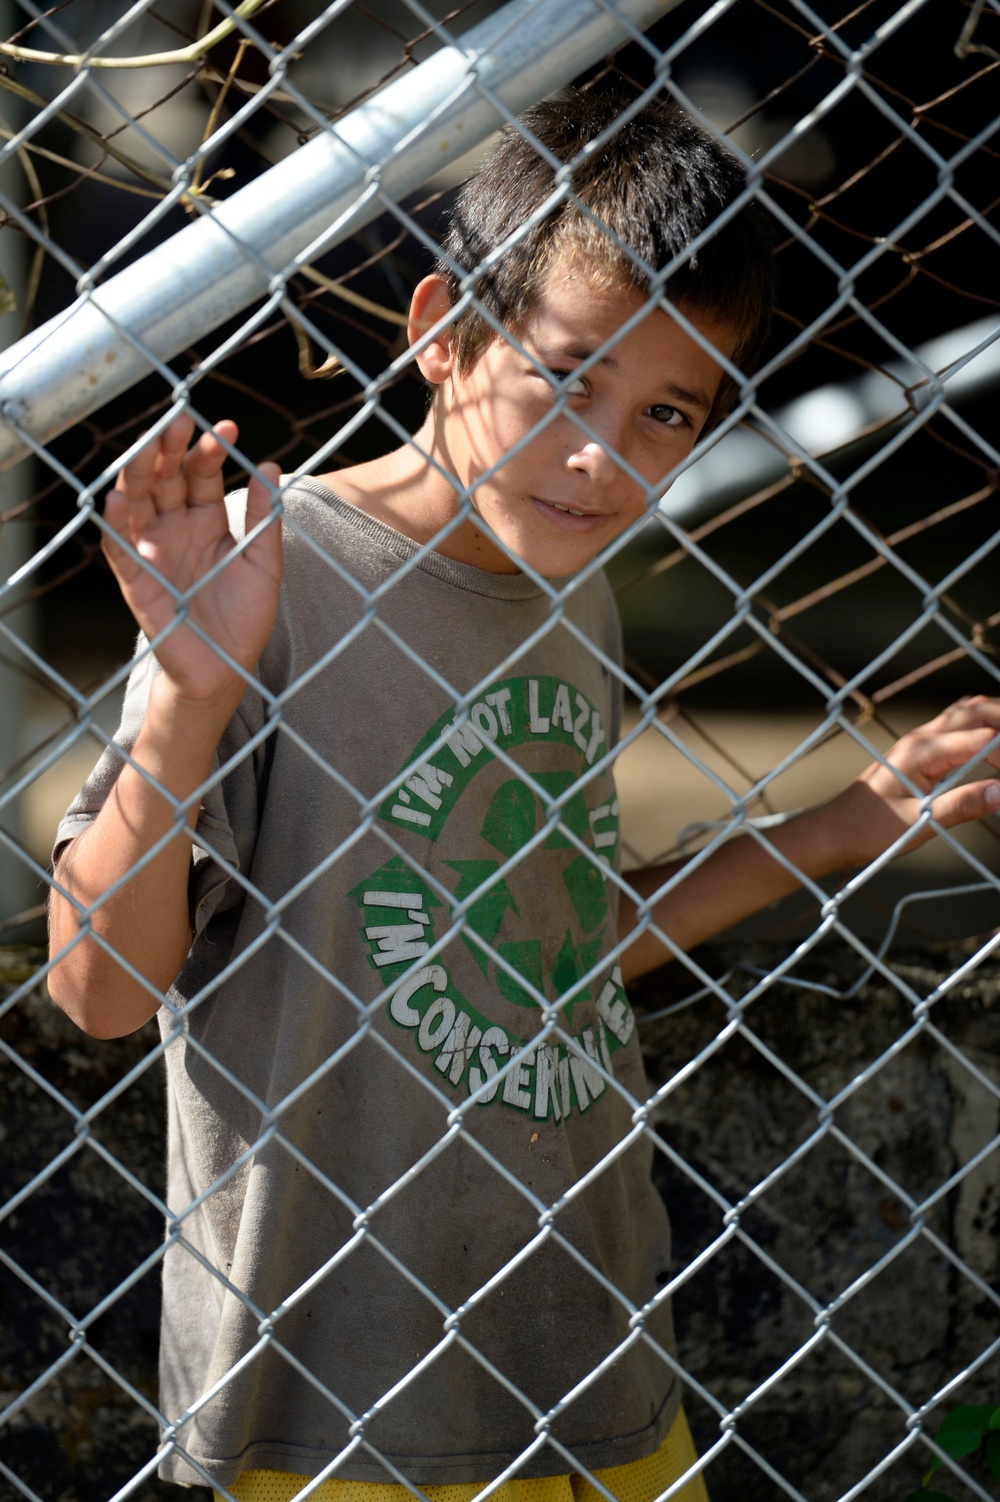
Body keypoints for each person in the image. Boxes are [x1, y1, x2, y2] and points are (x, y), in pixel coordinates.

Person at [47, 88, 1000, 1502]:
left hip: (591, 1358)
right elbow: (101, 993)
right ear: (443, 328)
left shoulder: (573, 593)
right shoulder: (267, 580)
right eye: (566, 374)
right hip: (336, 1408)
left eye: (667, 409)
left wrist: (849, 824)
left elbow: (543, 945)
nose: (602, 455)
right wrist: (189, 697)